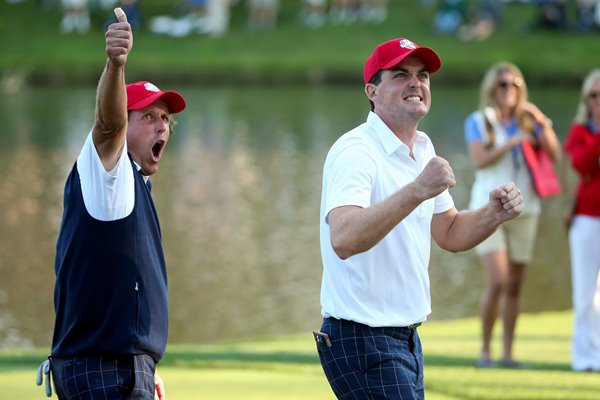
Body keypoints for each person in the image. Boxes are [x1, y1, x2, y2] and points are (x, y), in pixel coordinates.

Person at [315, 37, 524, 399]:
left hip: (406, 336)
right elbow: (344, 239)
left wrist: (493, 214)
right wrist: (417, 189)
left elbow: (451, 232)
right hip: (362, 336)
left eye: (423, 75)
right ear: (372, 91)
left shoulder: (423, 148)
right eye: (400, 74)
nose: (416, 83)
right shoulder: (355, 150)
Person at [39, 7, 186, 399]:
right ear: (125, 121)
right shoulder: (110, 169)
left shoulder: (134, 183)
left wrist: (145, 362)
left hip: (121, 366)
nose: (162, 126)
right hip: (103, 367)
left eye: (166, 121)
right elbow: (107, 125)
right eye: (150, 116)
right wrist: (116, 65)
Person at [463, 61, 561, 368]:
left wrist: (540, 122)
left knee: (516, 284)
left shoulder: (528, 122)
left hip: (526, 209)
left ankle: (508, 353)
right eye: (503, 84)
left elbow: (556, 155)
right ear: (492, 88)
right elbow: (479, 160)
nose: (510, 90)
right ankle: (485, 352)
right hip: (488, 209)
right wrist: (512, 142)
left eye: (516, 84)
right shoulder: (478, 121)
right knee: (498, 279)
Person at [564, 69, 600, 372]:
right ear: (586, 100)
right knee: (585, 292)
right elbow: (582, 165)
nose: (599, 101)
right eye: (594, 96)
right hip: (588, 219)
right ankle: (584, 356)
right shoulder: (581, 131)